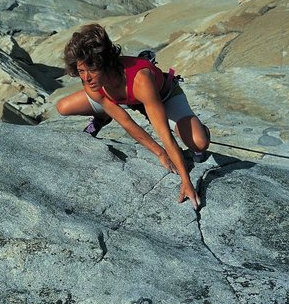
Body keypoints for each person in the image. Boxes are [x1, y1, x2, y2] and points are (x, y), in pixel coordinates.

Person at [56, 24, 210, 210]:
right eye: (81, 71)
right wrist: (159, 153)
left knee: (198, 141)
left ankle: (200, 131)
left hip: (163, 96)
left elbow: (165, 136)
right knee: (62, 107)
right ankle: (103, 117)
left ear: (106, 63)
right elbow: (127, 123)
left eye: (92, 69)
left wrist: (186, 181)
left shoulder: (141, 80)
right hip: (122, 98)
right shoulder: (92, 82)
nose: (86, 78)